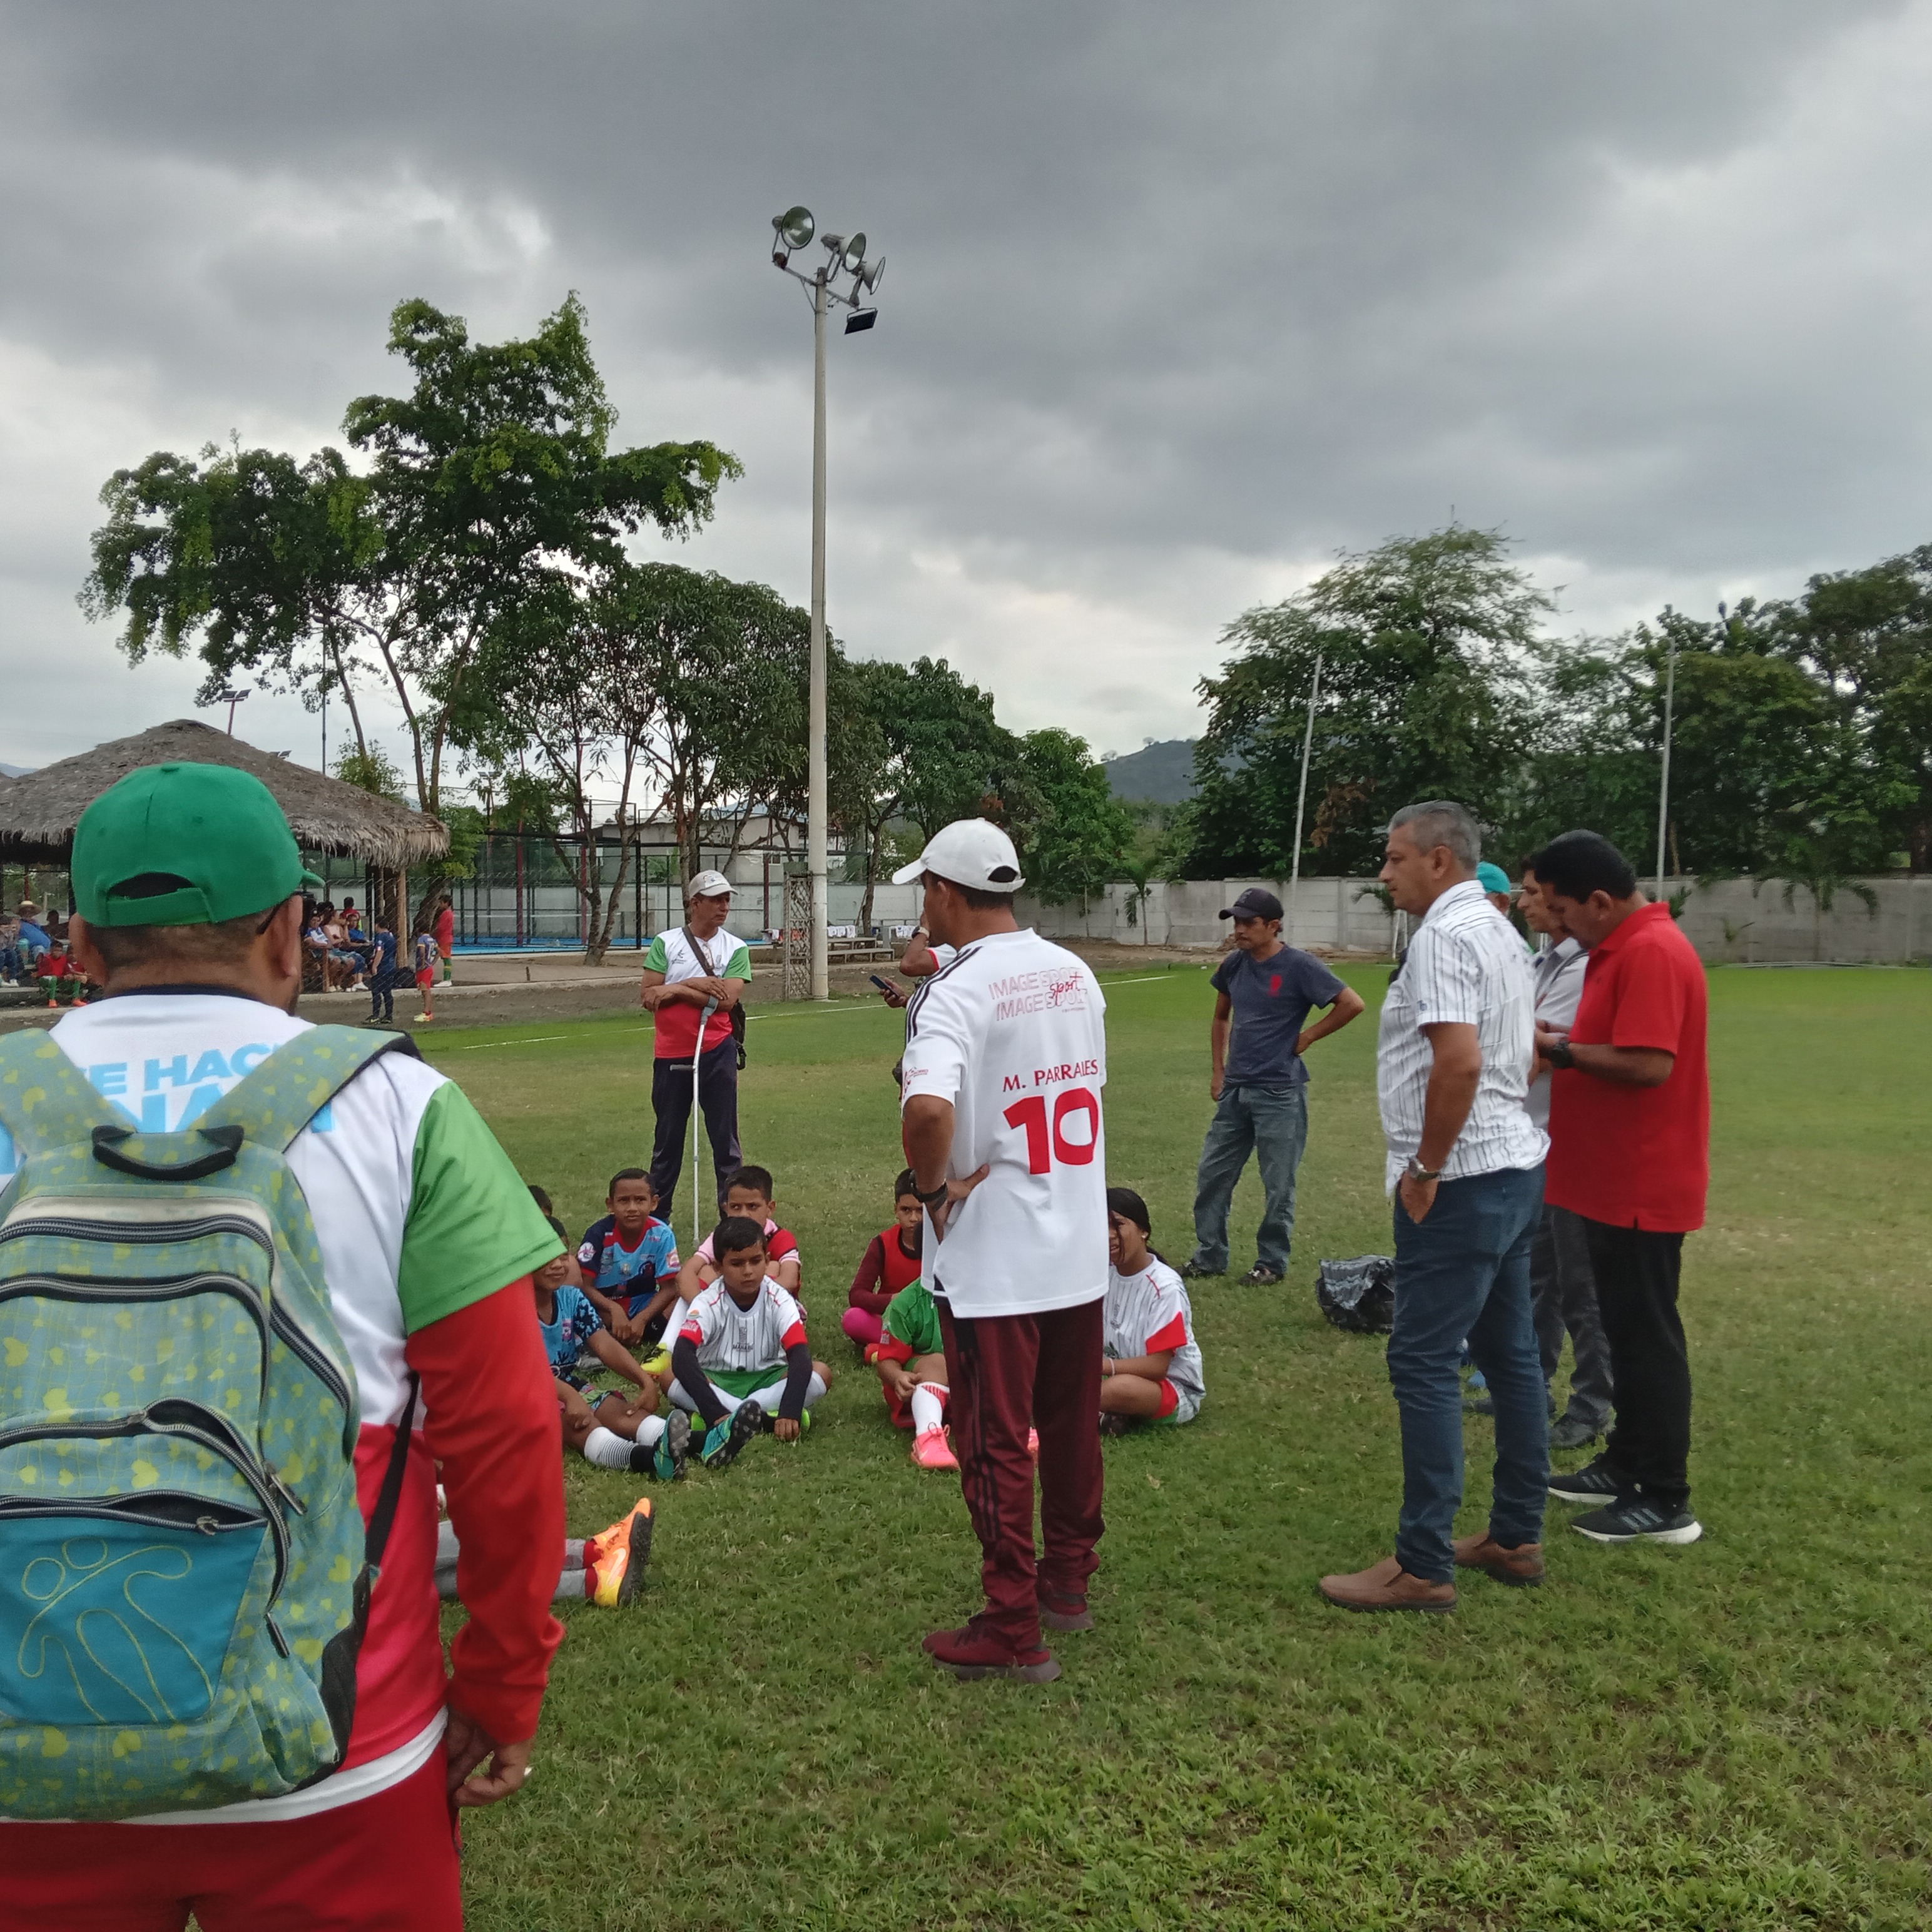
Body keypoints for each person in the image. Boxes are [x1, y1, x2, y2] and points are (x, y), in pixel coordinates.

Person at [0, 760, 563, 1929]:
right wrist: (503, 1681)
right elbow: (507, 1431)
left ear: (81, 942)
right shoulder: (405, 1110)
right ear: (288, 930)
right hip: (341, 1749)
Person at [1320, 801, 1550, 1614]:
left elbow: (1458, 1062)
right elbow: (1522, 1050)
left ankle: (1422, 1564)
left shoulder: (1445, 938)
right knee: (1512, 1356)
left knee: (1422, 1361)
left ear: (1439, 859)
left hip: (1460, 1182)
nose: (1384, 873)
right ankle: (1515, 1535)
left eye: (1395, 858)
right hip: (1514, 1168)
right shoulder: (1502, 932)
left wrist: (1426, 1166)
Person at [896, 816, 1110, 1682]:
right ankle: (1068, 1582)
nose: (924, 904)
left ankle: (1013, 1625)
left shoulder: (953, 990)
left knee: (991, 1442)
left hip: (995, 1262)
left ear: (946, 891)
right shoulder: (1074, 972)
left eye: (925, 889)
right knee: (1070, 1426)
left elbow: (927, 1111)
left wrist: (932, 1188)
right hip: (1077, 1247)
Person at [1527, 830, 1709, 1547]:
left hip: (1641, 1182)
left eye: (1562, 909)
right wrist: (1554, 1035)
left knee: (1645, 1338)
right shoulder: (1614, 949)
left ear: (1599, 900)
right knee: (1621, 1330)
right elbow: (1606, 1039)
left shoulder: (1650, 951)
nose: (1558, 922)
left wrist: (1558, 1048)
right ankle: (1625, 1462)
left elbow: (1648, 1063)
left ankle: (1665, 1499)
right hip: (1603, 1180)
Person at [1181, 885, 1365, 1286]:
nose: (1239, 930)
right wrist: (1218, 1071)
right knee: (1213, 1175)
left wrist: (1309, 1036)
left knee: (1278, 1184)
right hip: (1236, 1090)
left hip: (1280, 1092)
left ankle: (1271, 1262)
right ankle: (1210, 1256)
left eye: (1249, 923)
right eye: (1236, 922)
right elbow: (1221, 1017)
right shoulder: (1234, 965)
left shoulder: (1300, 966)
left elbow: (1352, 1003)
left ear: (1274, 925)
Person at [1507, 863, 1614, 1453]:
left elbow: (1547, 1048)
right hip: (1536, 1140)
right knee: (1537, 1277)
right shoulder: (1543, 961)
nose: (1524, 903)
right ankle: (1530, 1387)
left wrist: (1521, 1041)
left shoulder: (1587, 967)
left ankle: (1592, 1407)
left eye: (1532, 893)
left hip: (1568, 1142)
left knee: (1581, 1285)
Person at [531, 1227, 689, 1483]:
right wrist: (570, 1397)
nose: (558, 1265)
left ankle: (703, 1443)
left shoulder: (571, 1297)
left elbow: (605, 1345)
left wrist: (644, 1381)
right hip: (528, 1394)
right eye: (546, 1257)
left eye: (563, 1255)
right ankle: (650, 1460)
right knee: (583, 1423)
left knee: (617, 1411)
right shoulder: (514, 1308)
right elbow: (526, 1372)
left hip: (568, 1384)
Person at [669, 1217, 830, 1466]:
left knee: (822, 1372)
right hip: (719, 1379)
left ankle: (731, 1420)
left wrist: (790, 1410)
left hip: (768, 1377)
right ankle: (763, 1420)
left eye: (755, 1261)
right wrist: (715, 1411)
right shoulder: (707, 1301)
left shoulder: (780, 1299)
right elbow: (682, 1356)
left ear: (767, 1260)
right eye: (737, 1263)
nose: (748, 1271)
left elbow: (799, 1354)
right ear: (718, 1267)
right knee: (668, 1374)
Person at [641, 869, 751, 1224]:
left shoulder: (736, 948)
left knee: (726, 1143)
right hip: (671, 1054)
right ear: (695, 903)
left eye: (727, 899)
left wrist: (674, 989)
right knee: (667, 1142)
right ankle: (659, 1221)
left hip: (717, 1050)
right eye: (716, 900)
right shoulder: (666, 943)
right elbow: (649, 996)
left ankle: (734, 1221)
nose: (724, 906)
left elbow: (726, 1001)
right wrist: (695, 984)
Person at [1102, 1187, 1205, 1431]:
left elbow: (1158, 1367)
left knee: (1120, 1389)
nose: (1109, 1235)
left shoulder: (1165, 1287)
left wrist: (1102, 1367)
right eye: (1101, 1226)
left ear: (1144, 1230)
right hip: (1117, 1374)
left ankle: (1090, 1410)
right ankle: (1109, 1414)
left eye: (1118, 1225)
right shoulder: (1103, 1274)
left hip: (1171, 1389)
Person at [666, 1163, 802, 1309]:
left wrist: (746, 1309)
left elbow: (789, 1281)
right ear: (726, 1209)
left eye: (752, 1207)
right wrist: (701, 1309)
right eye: (736, 1207)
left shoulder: (781, 1238)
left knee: (772, 1267)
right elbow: (686, 1274)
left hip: (771, 1309)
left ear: (770, 1208)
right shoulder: (721, 1236)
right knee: (706, 1272)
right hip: (721, 1310)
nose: (744, 1215)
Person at [578, 1167, 683, 1349]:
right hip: (604, 1305)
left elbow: (669, 1288)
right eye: (624, 1201)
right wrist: (614, 1309)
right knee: (577, 1305)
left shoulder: (662, 1234)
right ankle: (632, 1332)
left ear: (654, 1203)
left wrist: (642, 1318)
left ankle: (640, 1329)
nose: (632, 1208)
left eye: (640, 1200)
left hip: (643, 1303)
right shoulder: (598, 1234)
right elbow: (584, 1285)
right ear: (610, 1205)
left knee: (685, 1294)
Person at [875, 1269, 957, 1469]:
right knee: (939, 1363)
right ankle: (928, 1436)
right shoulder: (907, 1303)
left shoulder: (983, 1296)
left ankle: (1011, 1429)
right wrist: (897, 1377)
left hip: (963, 1389)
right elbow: (886, 1361)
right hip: (914, 1388)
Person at [847, 1168, 927, 1356]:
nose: (913, 1218)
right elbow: (857, 1294)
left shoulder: (941, 1243)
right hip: (891, 1321)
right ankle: (910, 1350)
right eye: (906, 1210)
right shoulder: (882, 1244)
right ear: (896, 1210)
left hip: (928, 1322)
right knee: (853, 1319)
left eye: (920, 1211)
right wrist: (893, 1300)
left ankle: (889, 1350)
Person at [367, 913, 401, 1024]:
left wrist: (374, 966)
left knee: (376, 991)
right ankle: (388, 1015)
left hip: (382, 967)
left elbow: (380, 952)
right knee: (387, 992)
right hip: (390, 967)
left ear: (377, 925)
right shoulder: (391, 936)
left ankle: (376, 1015)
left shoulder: (381, 937)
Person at [413, 921, 439, 1022]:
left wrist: (423, 964)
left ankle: (427, 1013)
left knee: (425, 990)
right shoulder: (432, 940)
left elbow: (422, 952)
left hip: (424, 968)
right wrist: (432, 963)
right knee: (425, 990)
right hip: (428, 968)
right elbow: (439, 952)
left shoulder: (422, 939)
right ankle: (427, 1012)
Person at [435, 892, 456, 985]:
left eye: (441, 903)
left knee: (447, 958)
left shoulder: (446, 914)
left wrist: (435, 933)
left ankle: (447, 979)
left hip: (445, 938)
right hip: (446, 938)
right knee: (446, 958)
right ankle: (447, 979)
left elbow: (441, 927)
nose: (440, 905)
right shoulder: (449, 913)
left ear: (446, 903)